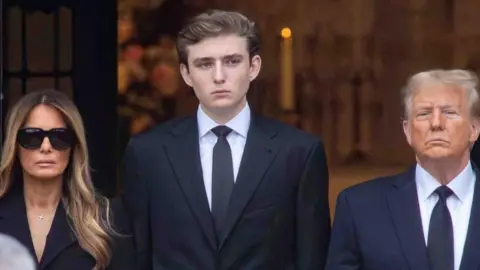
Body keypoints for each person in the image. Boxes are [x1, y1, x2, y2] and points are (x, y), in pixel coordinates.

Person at [123, 9, 331, 270]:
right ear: (186, 74)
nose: (219, 76)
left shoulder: (300, 153)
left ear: (253, 67)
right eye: (205, 64)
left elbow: (312, 257)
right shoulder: (147, 153)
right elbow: (136, 255)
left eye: (232, 61)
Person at [326, 69, 480, 270]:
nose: (436, 123)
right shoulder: (360, 207)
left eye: (449, 112)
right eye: (424, 114)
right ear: (407, 131)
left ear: (474, 129)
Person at [0, 89, 135, 270]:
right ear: (15, 145)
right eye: (32, 136)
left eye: (59, 137)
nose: (46, 147)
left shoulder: (105, 219)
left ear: (74, 146)